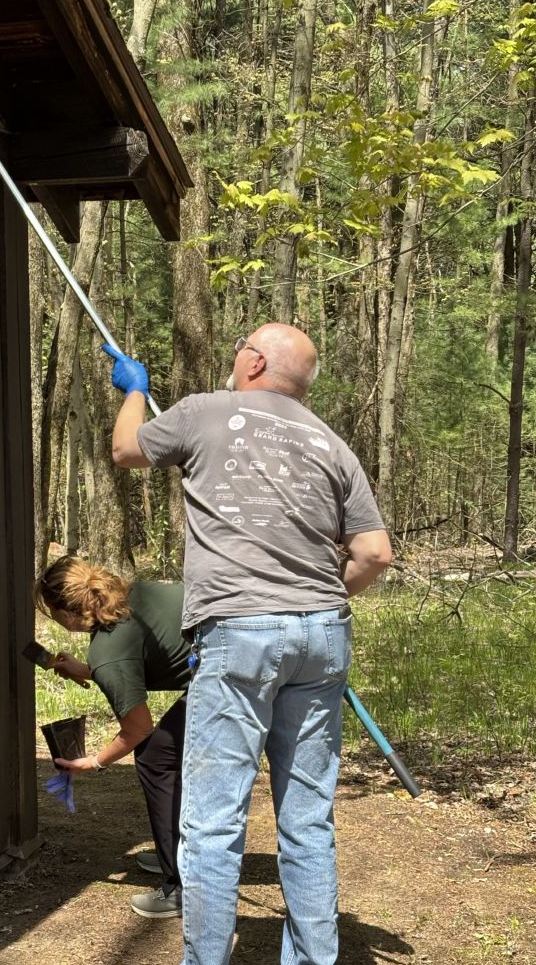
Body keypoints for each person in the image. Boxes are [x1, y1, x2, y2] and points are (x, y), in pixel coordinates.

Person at [102, 324, 392, 965]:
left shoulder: (208, 410)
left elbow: (125, 450)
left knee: (212, 821)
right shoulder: (332, 444)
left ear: (255, 361)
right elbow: (374, 552)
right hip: (323, 634)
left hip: (240, 632)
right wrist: (318, 597)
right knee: (308, 817)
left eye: (240, 346)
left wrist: (135, 391)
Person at [35, 555, 191, 919]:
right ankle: (179, 850)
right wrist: (89, 670)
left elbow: (138, 729)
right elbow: (139, 654)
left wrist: (93, 762)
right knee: (168, 753)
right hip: (251, 653)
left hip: (234, 674)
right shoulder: (138, 594)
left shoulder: (108, 651)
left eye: (51, 611)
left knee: (156, 756)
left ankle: (183, 884)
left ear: (68, 612)